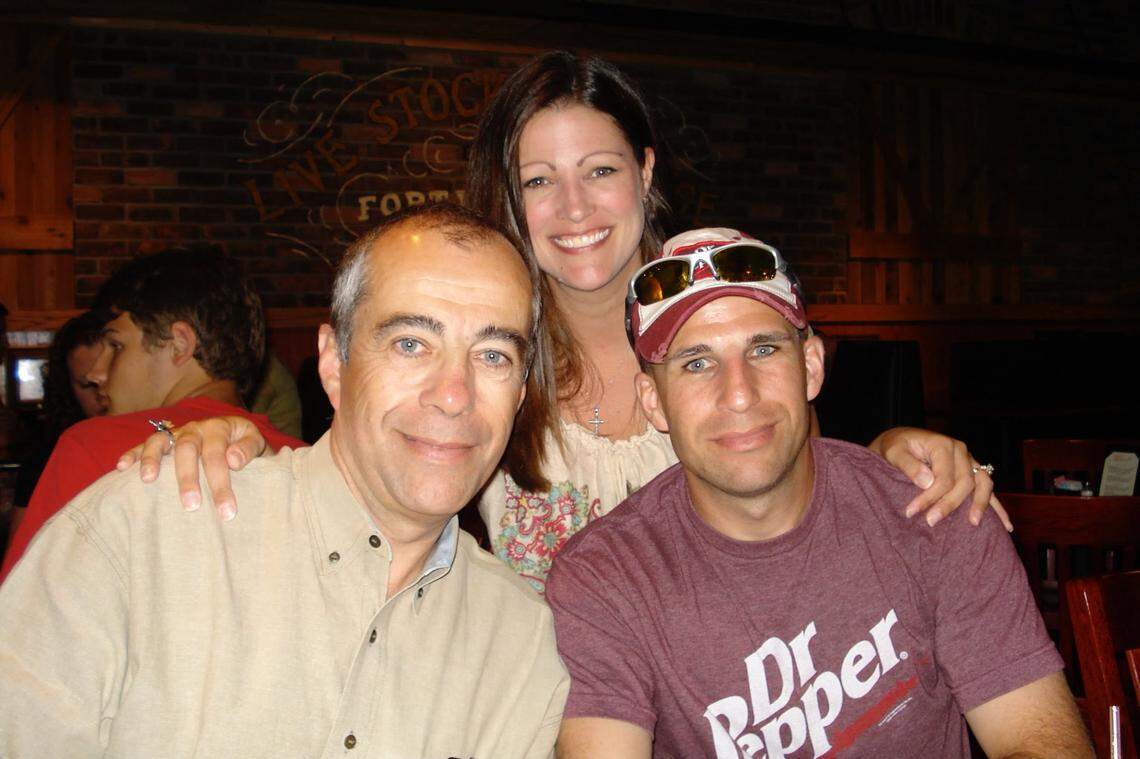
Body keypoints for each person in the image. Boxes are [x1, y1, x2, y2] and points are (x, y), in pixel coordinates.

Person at [121, 52, 1006, 592]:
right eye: (538, 178)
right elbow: (360, 480)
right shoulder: (482, 367)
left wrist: (893, 452)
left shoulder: (719, 335)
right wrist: (226, 441)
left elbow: (809, 488)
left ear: (646, 171)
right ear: (509, 194)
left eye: (600, 170)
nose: (573, 206)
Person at [0, 204, 569, 757]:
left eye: (493, 355)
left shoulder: (517, 642)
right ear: (332, 363)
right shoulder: (144, 531)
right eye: (410, 344)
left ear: (519, 395)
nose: (453, 395)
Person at [546, 227, 1091, 759]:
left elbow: (1040, 739)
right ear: (654, 402)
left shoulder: (938, 513)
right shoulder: (604, 579)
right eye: (697, 363)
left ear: (810, 367)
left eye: (762, 350)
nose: (738, 394)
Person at [0, 247, 302, 582]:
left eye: (116, 346)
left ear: (179, 344)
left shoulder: (90, 446)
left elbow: (21, 619)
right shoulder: (304, 459)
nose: (96, 373)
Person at [12, 309, 111, 511]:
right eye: (88, 385)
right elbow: (23, 542)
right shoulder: (48, 459)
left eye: (111, 379)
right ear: (68, 387)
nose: (103, 393)